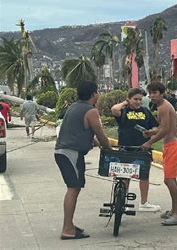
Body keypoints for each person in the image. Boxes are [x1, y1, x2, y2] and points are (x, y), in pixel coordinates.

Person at [55, 81, 111, 240]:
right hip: (70, 153)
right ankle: (67, 229)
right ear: (94, 94)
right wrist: (109, 148)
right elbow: (100, 134)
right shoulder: (91, 111)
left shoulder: (74, 107)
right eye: (97, 92)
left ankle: (70, 224)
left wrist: (94, 142)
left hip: (65, 152)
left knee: (75, 187)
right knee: (73, 188)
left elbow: (80, 130)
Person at [142, 82, 177, 225]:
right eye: (150, 93)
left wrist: (150, 142)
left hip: (173, 146)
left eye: (154, 93)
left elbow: (165, 130)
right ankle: (174, 210)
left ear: (162, 93)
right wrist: (151, 132)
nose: (151, 96)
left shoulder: (164, 107)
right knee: (169, 179)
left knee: (169, 179)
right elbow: (163, 127)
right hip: (171, 146)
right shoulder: (163, 106)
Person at [111, 88, 161, 212]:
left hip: (142, 148)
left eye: (140, 99)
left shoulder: (146, 112)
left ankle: (144, 202)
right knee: (124, 176)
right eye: (135, 99)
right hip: (126, 147)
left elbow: (155, 126)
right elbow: (114, 110)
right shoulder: (124, 111)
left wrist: (151, 133)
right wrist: (125, 103)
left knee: (144, 175)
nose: (138, 102)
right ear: (129, 99)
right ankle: (122, 201)